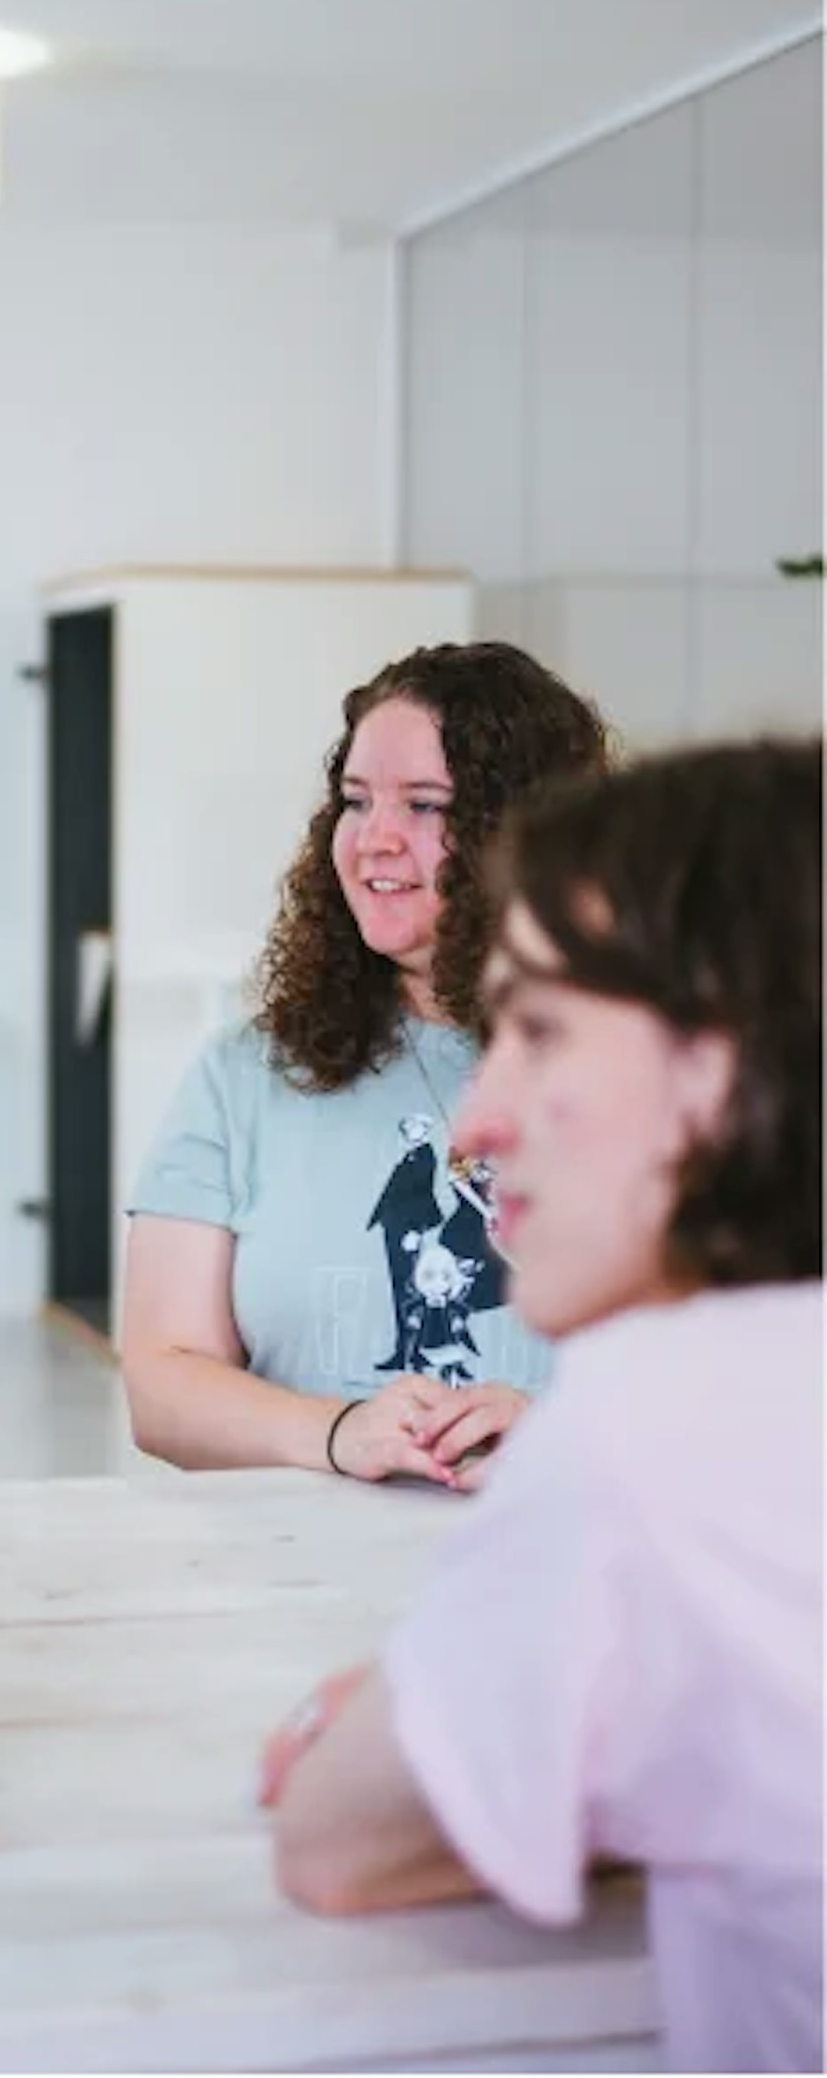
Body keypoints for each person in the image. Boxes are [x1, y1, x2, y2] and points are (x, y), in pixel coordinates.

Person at [261, 738, 823, 2074]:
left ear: (721, 1065)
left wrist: (386, 1712)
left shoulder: (660, 1420)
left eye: (540, 1030)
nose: (476, 1118)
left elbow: (343, 1844)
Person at [121, 640, 610, 1483]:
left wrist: (555, 1430)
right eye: (355, 802)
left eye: (425, 805)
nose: (375, 840)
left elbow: (751, 1374)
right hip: (295, 1582)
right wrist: (338, 1431)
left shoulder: (649, 1065)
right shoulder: (244, 1073)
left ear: (523, 832)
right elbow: (162, 1380)